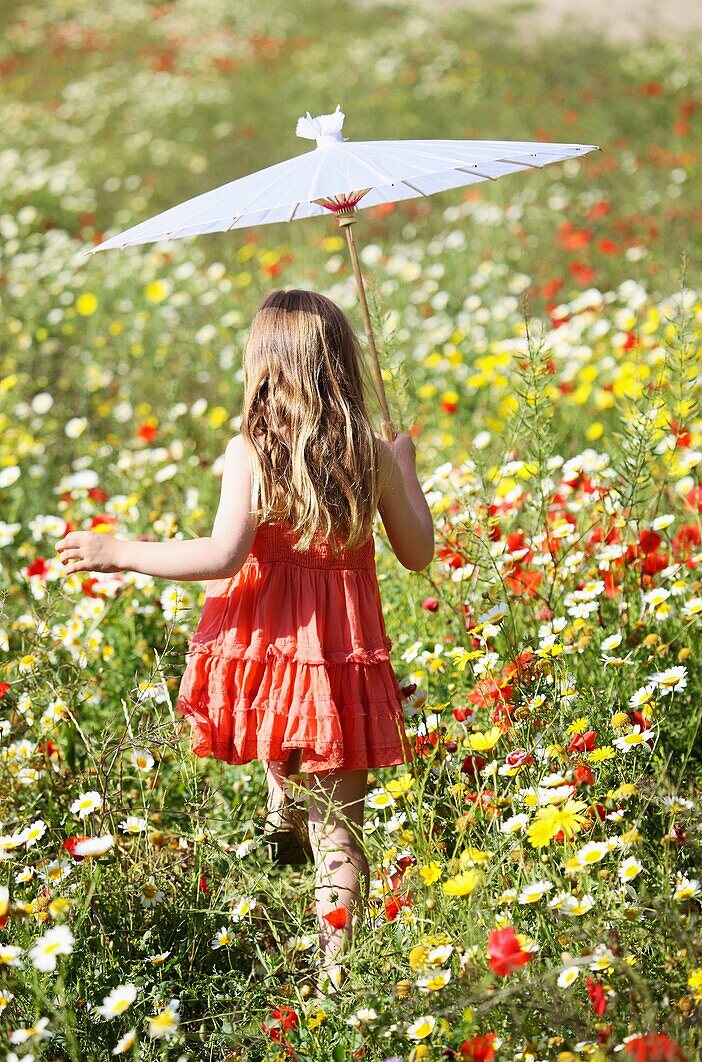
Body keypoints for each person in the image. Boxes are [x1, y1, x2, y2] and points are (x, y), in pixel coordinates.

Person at [54, 287, 434, 999]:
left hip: (267, 650)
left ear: (263, 367)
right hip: (338, 656)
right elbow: (418, 553)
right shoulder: (370, 454)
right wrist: (404, 469)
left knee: (283, 743)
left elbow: (224, 556)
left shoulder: (251, 452)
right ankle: (333, 977)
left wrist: (122, 549)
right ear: (342, 364)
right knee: (339, 831)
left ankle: (278, 801)